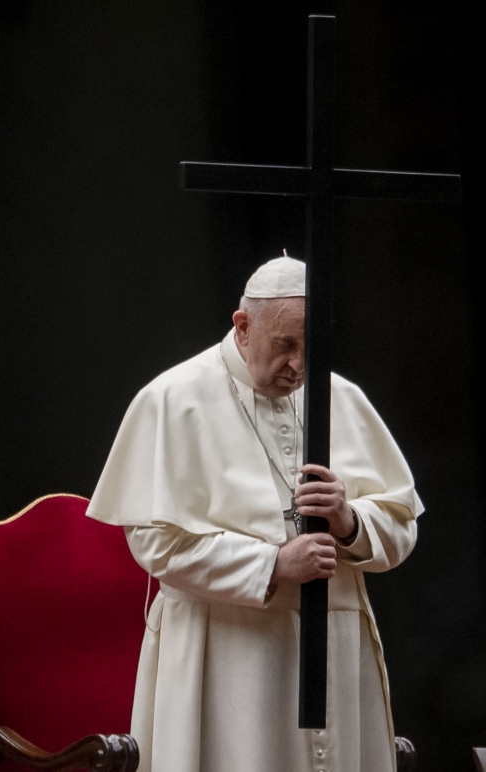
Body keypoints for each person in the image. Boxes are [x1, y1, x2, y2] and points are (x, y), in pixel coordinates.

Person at [87, 253, 423, 772]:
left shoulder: (343, 398)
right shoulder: (174, 399)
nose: (298, 367)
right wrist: (272, 564)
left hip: (335, 652)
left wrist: (349, 521)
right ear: (243, 327)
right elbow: (154, 544)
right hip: (224, 653)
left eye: (311, 349)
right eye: (285, 345)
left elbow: (402, 526)